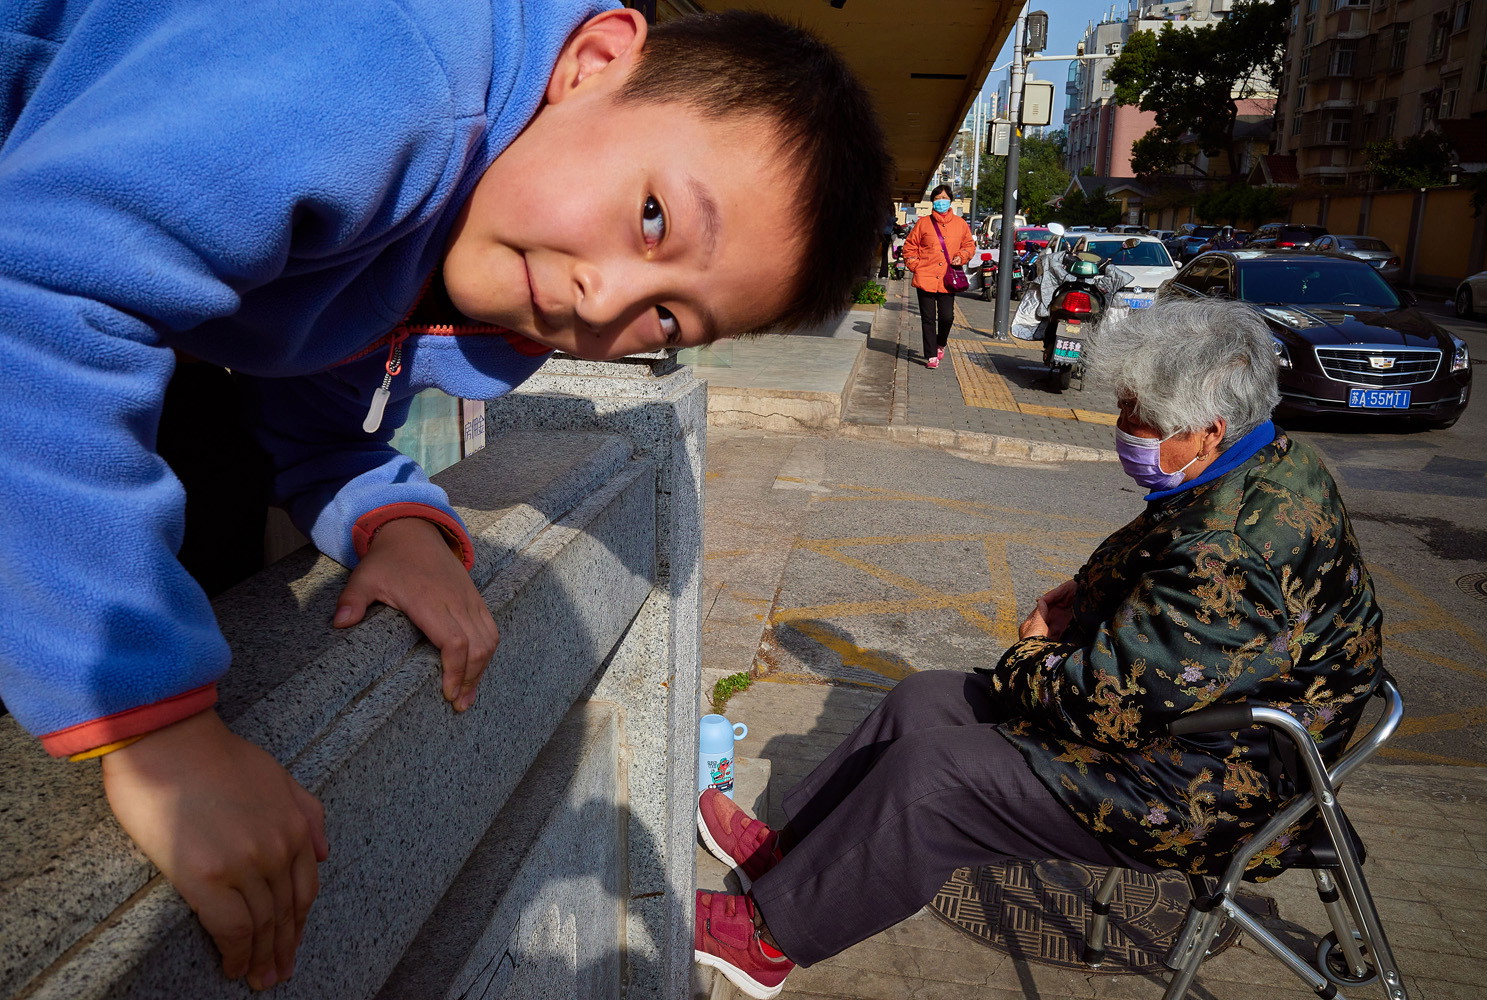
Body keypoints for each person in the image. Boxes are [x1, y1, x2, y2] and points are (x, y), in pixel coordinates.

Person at [0, 1, 890, 989]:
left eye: (670, 316)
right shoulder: (392, 66)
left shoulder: (485, 270)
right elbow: (37, 296)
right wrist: (155, 730)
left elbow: (313, 400)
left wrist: (396, 518)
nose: (608, 302)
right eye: (653, 216)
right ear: (595, 63)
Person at [691, 297, 1385, 999]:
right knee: (924, 698)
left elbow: (1107, 708)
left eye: (1137, 420)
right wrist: (1090, 591)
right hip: (1198, 719)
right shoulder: (1261, 455)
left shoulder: (1231, 551)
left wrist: (1029, 654)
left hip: (1213, 782)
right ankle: (797, 861)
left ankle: (765, 941)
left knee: (937, 779)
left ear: (1208, 431)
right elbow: (1170, 567)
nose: (1122, 431)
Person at [902, 184, 974, 369]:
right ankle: (931, 355)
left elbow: (969, 245)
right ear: (932, 202)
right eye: (937, 199)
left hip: (947, 279)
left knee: (947, 317)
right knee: (927, 318)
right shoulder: (923, 223)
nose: (941, 202)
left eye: (944, 199)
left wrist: (962, 256)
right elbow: (910, 246)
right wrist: (915, 266)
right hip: (925, 276)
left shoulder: (960, 224)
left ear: (950, 201)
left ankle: (940, 343)